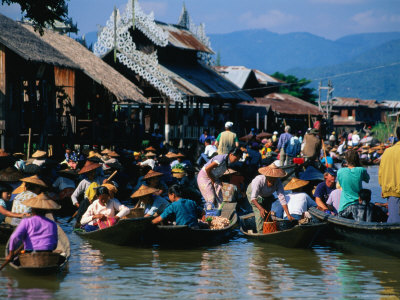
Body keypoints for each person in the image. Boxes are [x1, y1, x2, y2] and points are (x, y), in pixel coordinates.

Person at [6, 193, 60, 261]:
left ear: (32, 209)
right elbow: (54, 245)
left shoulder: (26, 221)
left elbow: (14, 237)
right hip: (48, 255)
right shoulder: (52, 224)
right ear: (46, 210)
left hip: (31, 255)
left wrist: (10, 254)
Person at [246, 164, 294, 233]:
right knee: (260, 214)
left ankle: (268, 229)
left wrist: (288, 214)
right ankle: (260, 231)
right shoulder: (259, 180)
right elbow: (253, 198)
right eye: (271, 178)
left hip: (267, 195)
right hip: (254, 195)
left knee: (267, 214)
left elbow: (282, 198)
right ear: (267, 176)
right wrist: (260, 208)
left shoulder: (278, 182)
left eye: (274, 178)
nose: (273, 180)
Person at [71, 161, 104, 225]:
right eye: (90, 172)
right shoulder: (84, 182)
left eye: (93, 172)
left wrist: (107, 182)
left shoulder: (99, 179)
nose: (92, 174)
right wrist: (79, 205)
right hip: (87, 203)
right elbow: (73, 196)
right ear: (87, 173)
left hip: (99, 202)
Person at [379, 127, 400, 223]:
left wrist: (383, 187)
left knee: (393, 221)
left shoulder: (387, 152)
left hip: (392, 192)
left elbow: (381, 173)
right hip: (394, 191)